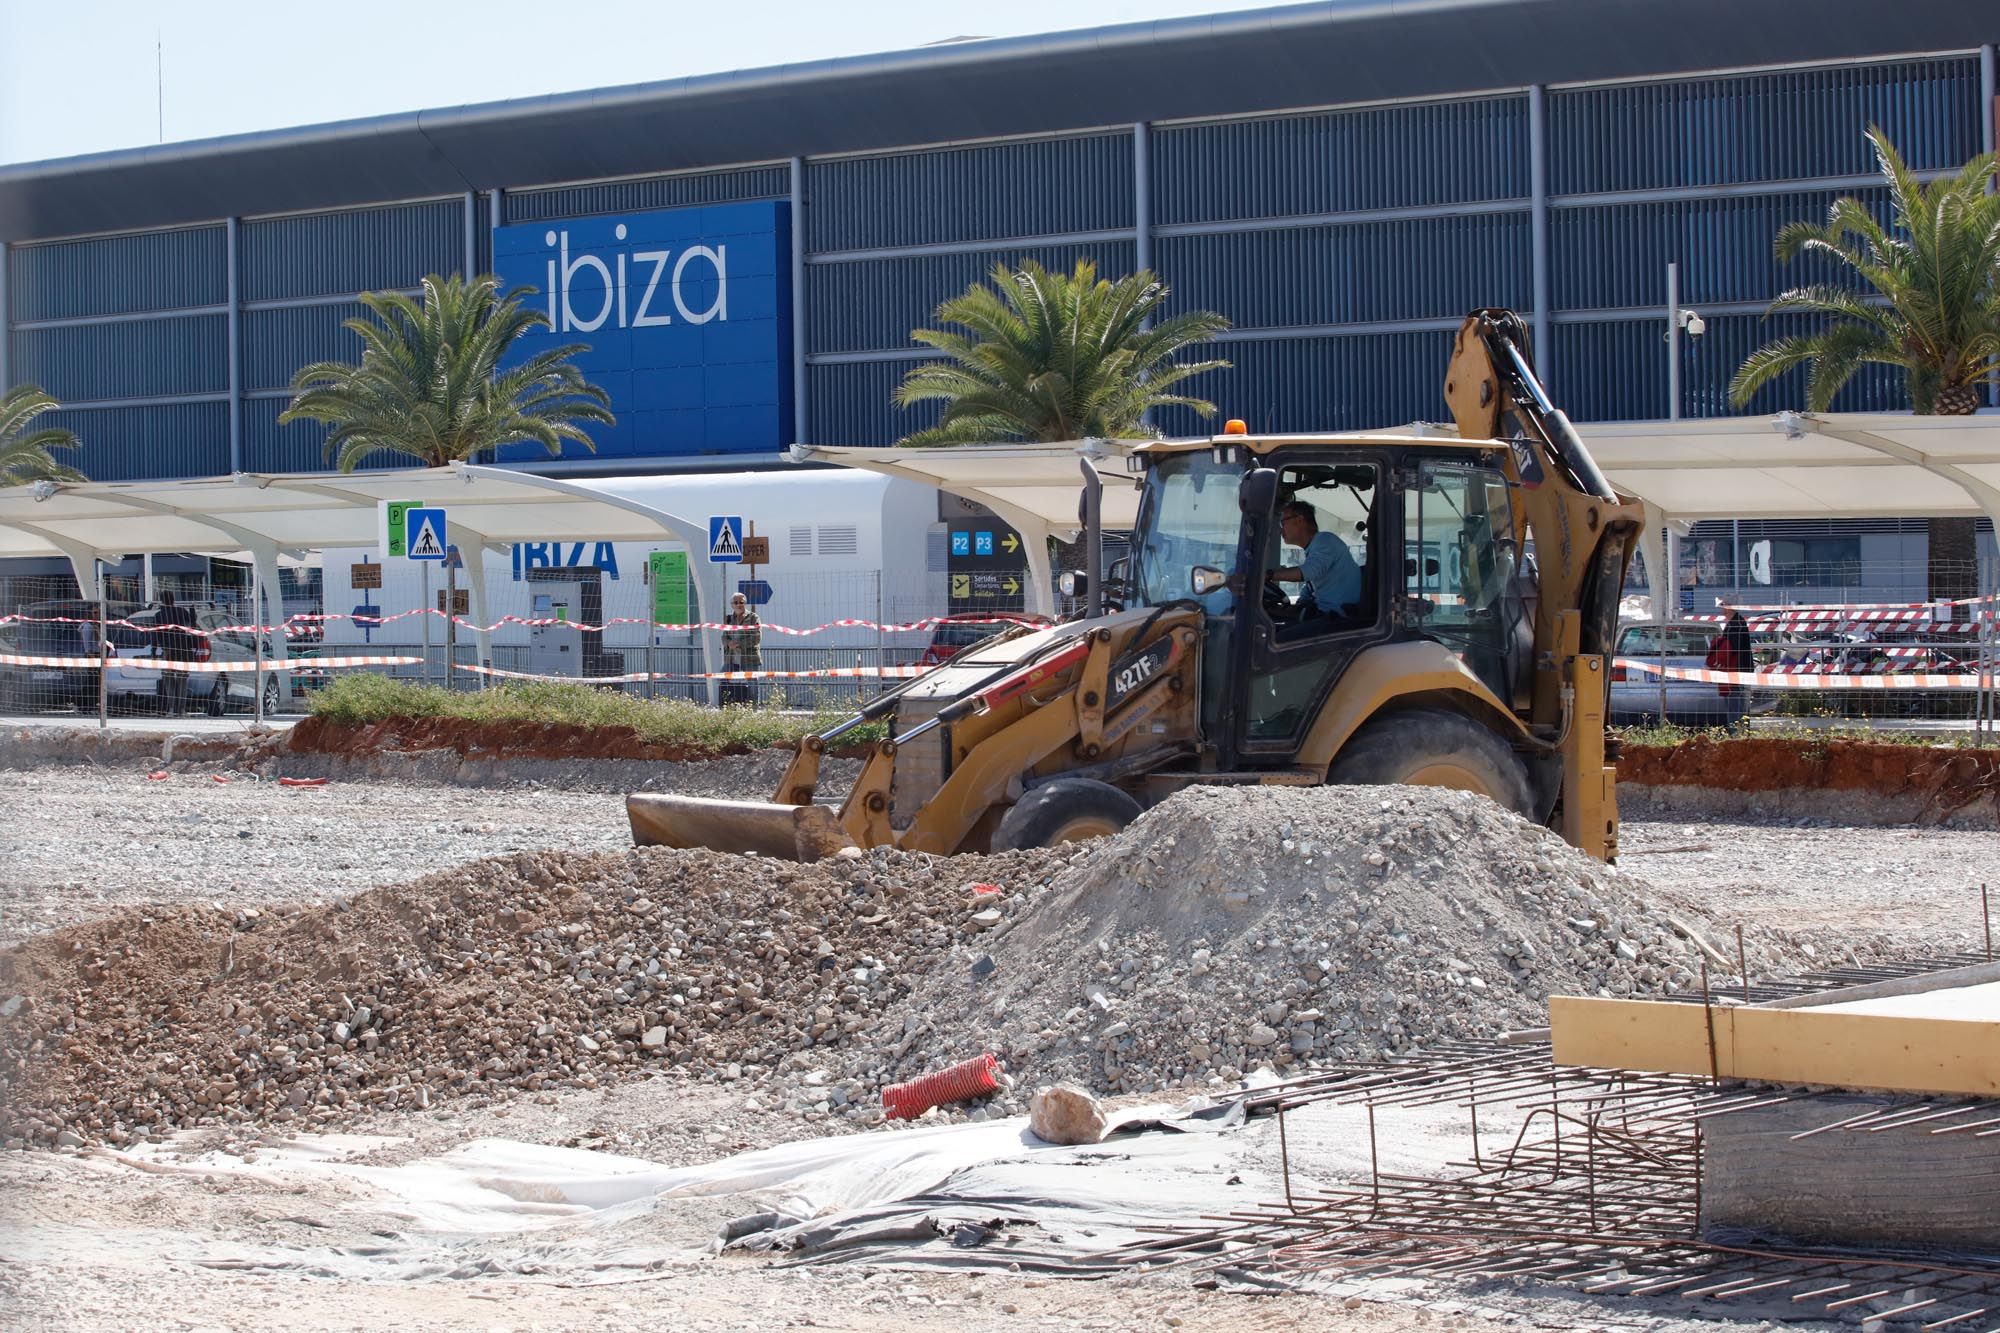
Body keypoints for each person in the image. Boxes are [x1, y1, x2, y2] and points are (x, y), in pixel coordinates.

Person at [1270, 501, 1361, 638]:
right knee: (1271, 627)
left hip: (1336, 620)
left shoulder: (1325, 540)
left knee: (1275, 640)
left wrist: (1269, 575)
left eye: (1283, 523)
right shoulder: (1314, 548)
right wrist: (1295, 606)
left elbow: (1309, 571)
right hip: (1324, 615)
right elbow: (1311, 587)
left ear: (1300, 520)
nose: (1280, 530)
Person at [1705, 610, 1754, 726]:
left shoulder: (1734, 627)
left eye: (1724, 608)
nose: (1722, 612)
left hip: (1732, 673)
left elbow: (1726, 651)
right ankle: (1741, 732)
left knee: (1734, 707)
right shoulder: (1739, 624)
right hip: (1740, 673)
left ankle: (1736, 733)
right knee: (1740, 707)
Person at [154, 590, 199, 717]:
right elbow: (192, 623)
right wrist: (192, 609)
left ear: (161, 600)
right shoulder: (181, 611)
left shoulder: (159, 615)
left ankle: (172, 708)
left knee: (168, 680)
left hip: (167, 651)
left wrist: (154, 650)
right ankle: (182, 709)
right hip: (182, 649)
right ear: (173, 599)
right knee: (182, 680)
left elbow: (155, 634)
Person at [721, 592, 762, 706]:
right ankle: (727, 704)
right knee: (723, 678)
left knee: (752, 683)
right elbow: (724, 636)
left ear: (745, 603)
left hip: (749, 658)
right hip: (731, 658)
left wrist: (739, 644)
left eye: (741, 602)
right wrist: (729, 643)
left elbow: (756, 637)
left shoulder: (753, 617)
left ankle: (754, 708)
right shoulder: (728, 619)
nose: (739, 605)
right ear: (732, 605)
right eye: (736, 602)